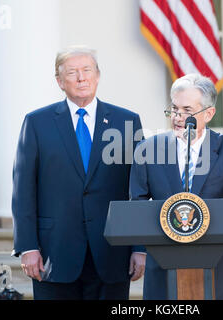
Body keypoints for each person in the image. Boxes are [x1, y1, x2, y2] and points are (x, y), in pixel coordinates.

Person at [11, 45, 146, 300]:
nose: (81, 77)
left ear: (97, 75)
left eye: (87, 70)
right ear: (60, 81)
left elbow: (137, 190)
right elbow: (23, 190)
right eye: (72, 72)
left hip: (112, 252)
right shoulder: (37, 123)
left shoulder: (127, 121)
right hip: (54, 253)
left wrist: (139, 248)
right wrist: (27, 246)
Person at [130, 73, 223, 300]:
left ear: (209, 113)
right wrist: (138, 249)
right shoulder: (147, 149)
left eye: (188, 111)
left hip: (220, 269)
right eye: (174, 109)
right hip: (165, 266)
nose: (178, 117)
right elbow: (137, 203)